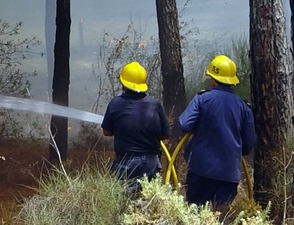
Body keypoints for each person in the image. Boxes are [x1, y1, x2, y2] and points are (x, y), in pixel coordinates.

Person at [178, 54, 256, 213]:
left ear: (213, 79)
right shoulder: (243, 107)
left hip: (201, 172)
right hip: (228, 175)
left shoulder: (202, 99)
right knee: (222, 217)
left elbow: (184, 124)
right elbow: (248, 145)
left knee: (194, 216)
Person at [101, 61, 171, 193]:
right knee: (149, 199)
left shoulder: (115, 104)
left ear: (124, 84)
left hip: (126, 163)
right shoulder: (154, 105)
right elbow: (165, 135)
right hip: (151, 163)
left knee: (119, 198)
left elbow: (106, 132)